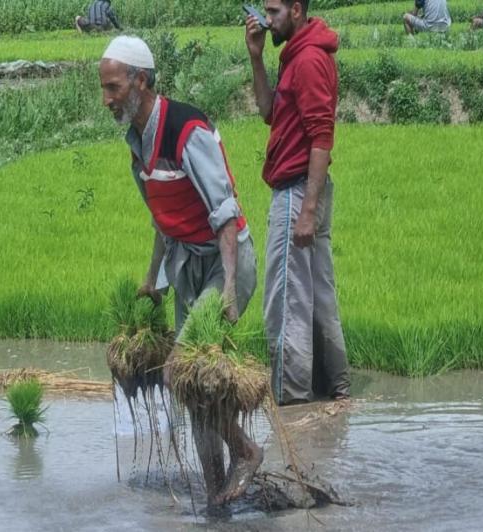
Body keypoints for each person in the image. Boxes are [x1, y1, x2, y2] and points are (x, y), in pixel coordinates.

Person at [99, 35, 261, 509]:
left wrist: (230, 289)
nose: (107, 100)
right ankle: (215, 497)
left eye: (113, 88)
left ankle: (246, 450)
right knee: (192, 389)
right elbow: (161, 217)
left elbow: (225, 212)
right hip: (186, 264)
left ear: (140, 80)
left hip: (224, 261)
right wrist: (152, 279)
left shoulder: (186, 129)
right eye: (104, 90)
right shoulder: (136, 142)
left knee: (178, 371)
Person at [244, 1, 351, 406]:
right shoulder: (296, 53)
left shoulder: (307, 59)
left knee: (286, 300)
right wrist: (256, 58)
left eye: (273, 11)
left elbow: (322, 136)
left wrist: (306, 211)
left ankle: (291, 401)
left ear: (297, 9)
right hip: (305, 190)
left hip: (297, 192)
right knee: (318, 293)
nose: (266, 19)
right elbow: (271, 112)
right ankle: (333, 390)